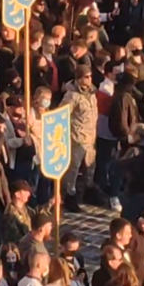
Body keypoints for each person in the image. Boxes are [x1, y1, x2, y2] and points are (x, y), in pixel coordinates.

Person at [60, 65, 99, 213]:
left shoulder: (92, 94)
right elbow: (62, 114)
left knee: (89, 168)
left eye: (90, 76)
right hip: (76, 138)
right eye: (86, 77)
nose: (89, 80)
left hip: (90, 138)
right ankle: (69, 196)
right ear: (79, 78)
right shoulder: (72, 96)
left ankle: (84, 195)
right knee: (73, 170)